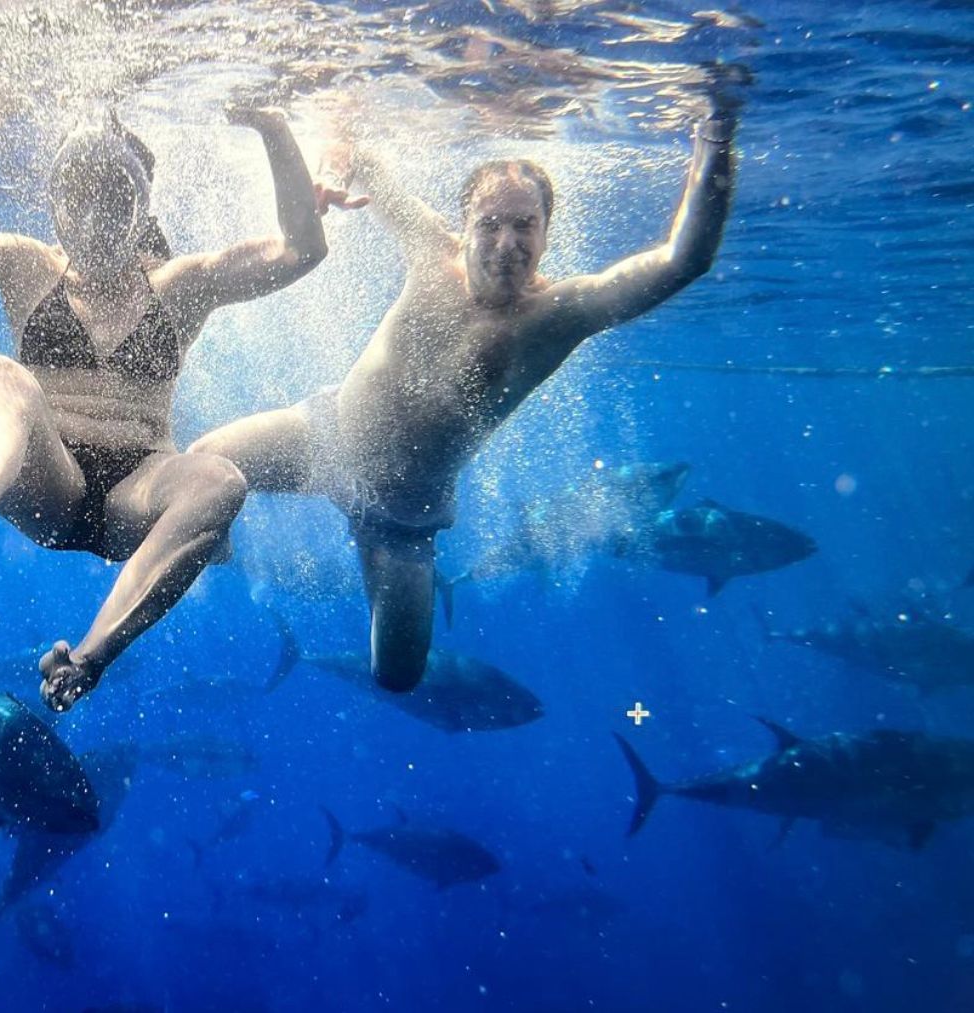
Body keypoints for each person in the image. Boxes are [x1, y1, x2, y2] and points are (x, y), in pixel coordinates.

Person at [192, 96, 739, 692]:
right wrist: (332, 167)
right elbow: (355, 148)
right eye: (490, 224)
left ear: (548, 232)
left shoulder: (562, 314)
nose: (507, 242)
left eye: (525, 225)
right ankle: (212, 548)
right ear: (465, 226)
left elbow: (685, 259)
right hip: (325, 435)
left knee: (397, 675)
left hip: (403, 512)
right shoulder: (432, 248)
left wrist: (715, 136)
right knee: (200, 466)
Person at [0, 102, 330, 711]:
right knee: (3, 376)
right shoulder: (24, 264)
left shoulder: (183, 283)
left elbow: (302, 250)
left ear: (141, 205)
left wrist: (273, 126)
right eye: (77, 196)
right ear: (55, 202)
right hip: (48, 482)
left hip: (135, 498)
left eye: (114, 199)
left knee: (220, 479)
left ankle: (88, 658)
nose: (94, 218)